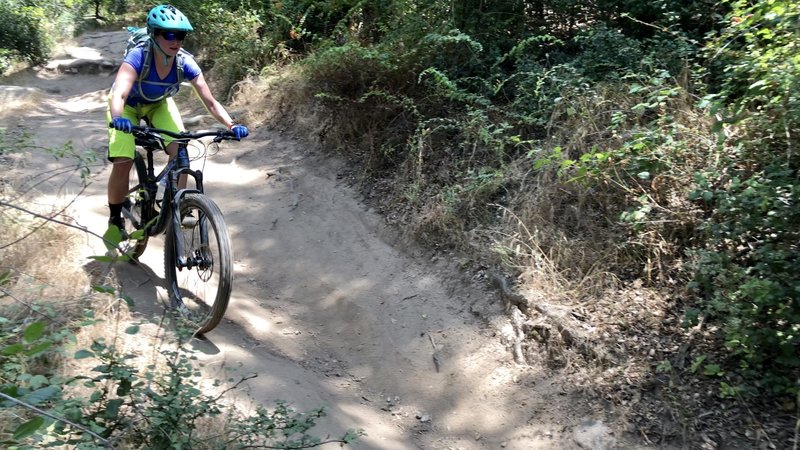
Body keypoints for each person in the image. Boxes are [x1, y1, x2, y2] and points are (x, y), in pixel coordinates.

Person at [106, 4, 248, 230]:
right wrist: (118, 117)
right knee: (123, 161)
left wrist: (231, 124)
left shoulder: (185, 62)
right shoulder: (138, 56)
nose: (176, 41)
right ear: (154, 34)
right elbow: (120, 91)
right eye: (169, 34)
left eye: (180, 35)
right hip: (127, 107)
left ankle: (179, 206)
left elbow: (210, 101)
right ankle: (115, 216)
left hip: (158, 104)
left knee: (181, 152)